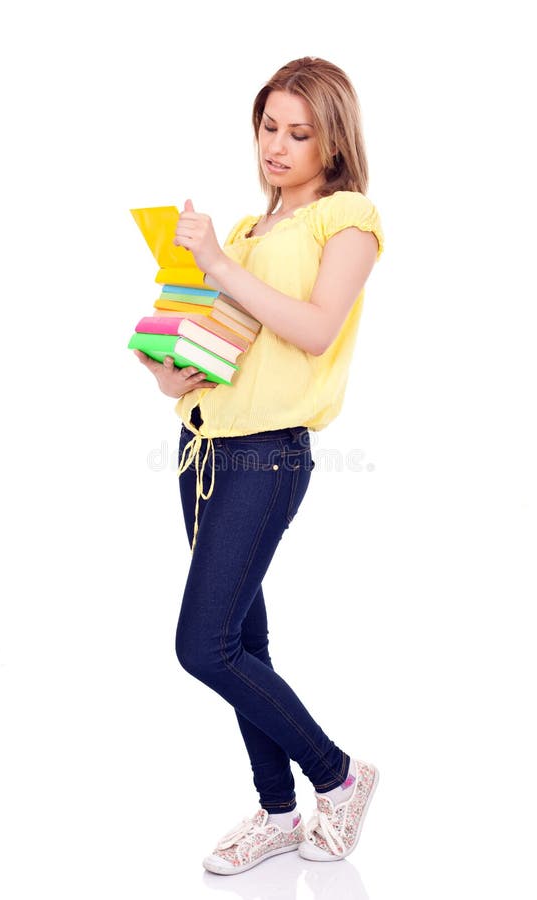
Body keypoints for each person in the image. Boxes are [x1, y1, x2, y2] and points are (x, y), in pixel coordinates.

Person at [133, 56, 385, 875]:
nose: (278, 146)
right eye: (269, 127)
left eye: (299, 133)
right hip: (202, 449)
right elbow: (212, 358)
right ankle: (278, 810)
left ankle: (338, 777)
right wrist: (169, 357)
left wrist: (217, 267)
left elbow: (314, 330)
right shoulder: (246, 230)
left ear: (333, 143)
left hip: (268, 458)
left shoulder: (346, 219)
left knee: (202, 645)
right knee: (244, 640)